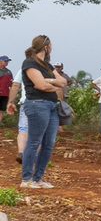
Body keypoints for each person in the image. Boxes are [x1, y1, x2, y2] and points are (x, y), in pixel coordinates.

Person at [19, 35, 66, 189]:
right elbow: (41, 86)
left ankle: (38, 178)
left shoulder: (48, 65)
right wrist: (50, 83)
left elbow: (63, 82)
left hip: (52, 105)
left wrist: (48, 81)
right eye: (51, 45)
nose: (51, 47)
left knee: (48, 143)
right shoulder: (29, 63)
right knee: (34, 141)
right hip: (37, 104)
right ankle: (26, 179)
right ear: (46, 47)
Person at [0, 55, 12, 125]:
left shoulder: (9, 72)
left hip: (5, 94)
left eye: (7, 61)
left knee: (1, 110)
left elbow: (11, 83)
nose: (6, 63)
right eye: (5, 61)